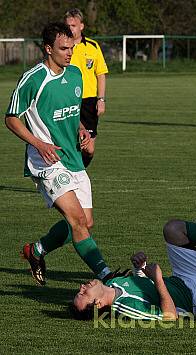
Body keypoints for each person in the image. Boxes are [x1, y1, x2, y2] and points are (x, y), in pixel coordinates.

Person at [5, 22, 113, 285]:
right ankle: (107, 275)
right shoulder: (33, 79)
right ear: (48, 48)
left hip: (73, 158)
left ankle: (37, 250)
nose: (70, 52)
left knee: (85, 222)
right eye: (64, 48)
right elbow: (11, 118)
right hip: (46, 161)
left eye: (72, 47)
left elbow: (71, 112)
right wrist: (39, 144)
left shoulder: (75, 74)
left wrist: (81, 129)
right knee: (76, 220)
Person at [71, 220, 196, 320]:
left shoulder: (112, 283)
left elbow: (141, 287)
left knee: (173, 229)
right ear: (97, 304)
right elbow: (169, 316)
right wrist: (159, 280)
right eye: (83, 293)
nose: (82, 286)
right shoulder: (125, 307)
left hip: (187, 276)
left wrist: (139, 268)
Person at [65, 8, 108, 168]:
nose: (70, 28)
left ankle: (79, 172)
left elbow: (101, 74)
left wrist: (101, 99)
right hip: (68, 101)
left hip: (88, 102)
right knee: (68, 145)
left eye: (73, 25)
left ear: (81, 26)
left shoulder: (92, 46)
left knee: (89, 149)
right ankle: (70, 178)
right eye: (68, 25)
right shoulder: (62, 47)